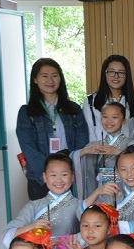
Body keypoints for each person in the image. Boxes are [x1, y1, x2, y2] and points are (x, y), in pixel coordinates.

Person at [17, 58, 89, 199]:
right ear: (35, 79)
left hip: (69, 177)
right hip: (40, 179)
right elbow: (28, 147)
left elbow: (82, 142)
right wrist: (49, 175)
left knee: (73, 213)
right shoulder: (26, 112)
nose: (50, 80)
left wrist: (67, 172)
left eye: (54, 75)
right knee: (44, 213)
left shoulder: (73, 109)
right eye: (44, 76)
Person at [83, 54, 134, 140]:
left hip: (126, 148)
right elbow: (89, 133)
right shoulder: (90, 101)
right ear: (104, 74)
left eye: (121, 72)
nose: (116, 76)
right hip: (98, 147)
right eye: (111, 72)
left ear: (127, 75)